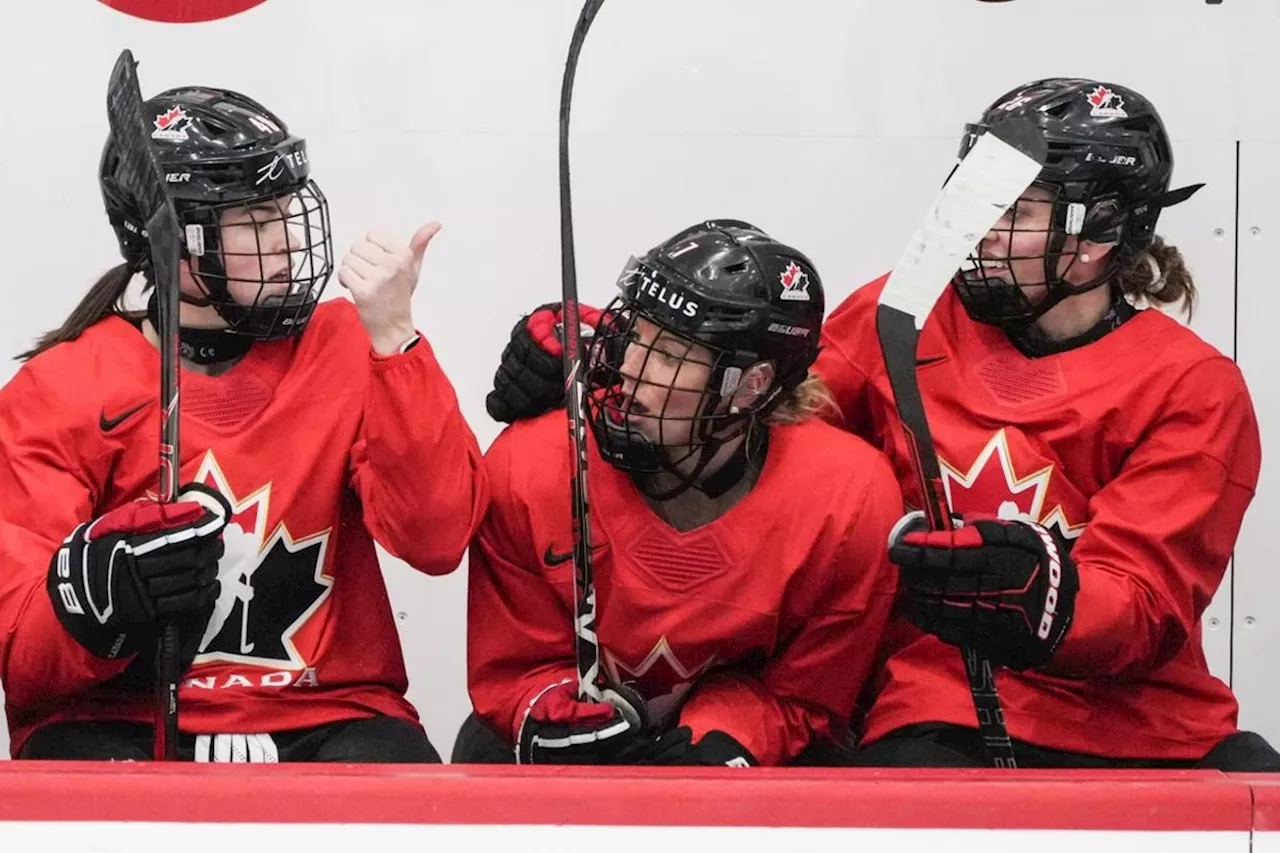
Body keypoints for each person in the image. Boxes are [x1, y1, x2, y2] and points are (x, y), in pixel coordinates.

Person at [477, 78, 1280, 771]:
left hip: (1149, 723)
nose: (980, 229)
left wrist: (1053, 593)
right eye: (978, 199)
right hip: (941, 706)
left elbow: (1146, 601)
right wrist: (608, 361)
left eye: (1017, 209)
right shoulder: (898, 317)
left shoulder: (1193, 387)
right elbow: (746, 402)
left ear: (1102, 232)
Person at [0, 84, 488, 762]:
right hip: (128, 719)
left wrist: (397, 341)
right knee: (65, 767)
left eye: (285, 212)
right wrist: (95, 596)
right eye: (256, 222)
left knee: (398, 774)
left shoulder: (348, 344)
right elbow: (24, 657)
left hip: (325, 712)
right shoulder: (59, 388)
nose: (288, 239)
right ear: (175, 239)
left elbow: (436, 540)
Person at [458, 220, 902, 766]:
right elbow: (514, 664)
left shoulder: (848, 499)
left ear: (753, 383)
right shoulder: (532, 463)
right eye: (635, 336)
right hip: (579, 721)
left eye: (668, 354)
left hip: (735, 748)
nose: (626, 370)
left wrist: (728, 735)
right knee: (487, 753)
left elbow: (806, 694)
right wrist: (549, 710)